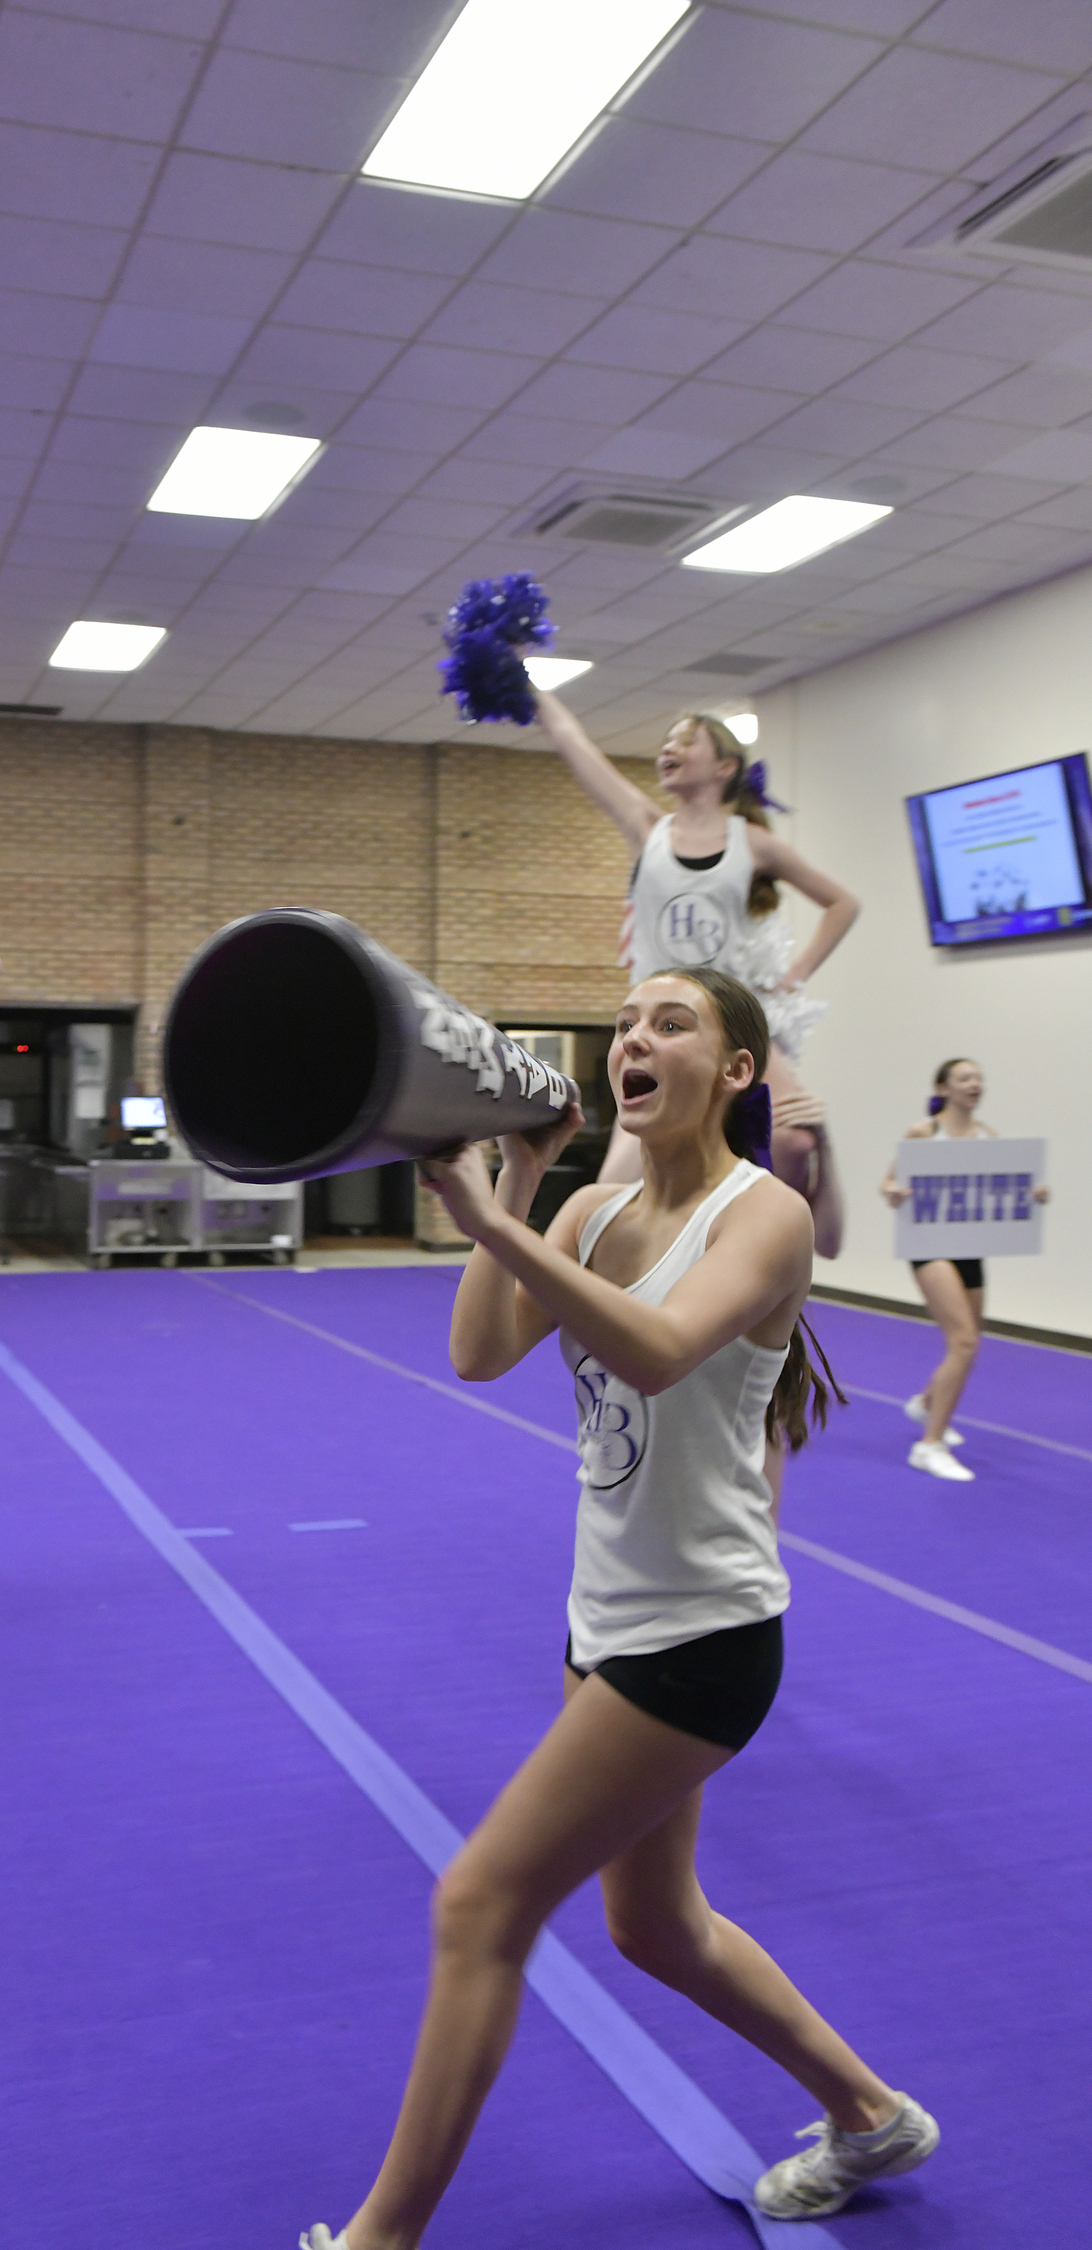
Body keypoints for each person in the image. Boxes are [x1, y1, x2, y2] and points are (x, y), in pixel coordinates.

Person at [299, 967, 936, 2249]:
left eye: (671, 1024)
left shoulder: (769, 1217)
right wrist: (526, 1186)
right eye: (626, 1028)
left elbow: (654, 1346)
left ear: (737, 1072)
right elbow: (479, 1354)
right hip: (607, 1622)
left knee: (479, 1905)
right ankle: (871, 2116)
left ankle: (379, 2239)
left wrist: (491, 1224)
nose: (634, 1042)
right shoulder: (590, 1207)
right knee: (654, 1925)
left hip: (702, 1639)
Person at [534, 694, 855, 1254]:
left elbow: (842, 903)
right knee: (614, 1184)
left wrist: (793, 974)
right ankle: (615, 1275)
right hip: (666, 1023)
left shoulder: (751, 842)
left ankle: (759, 1252)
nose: (669, 748)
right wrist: (526, 683)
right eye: (666, 741)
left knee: (798, 1138)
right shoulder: (647, 828)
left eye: (686, 740)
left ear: (724, 767)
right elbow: (574, 743)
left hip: (734, 1019)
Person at [880, 1056, 1048, 1484]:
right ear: (944, 1088)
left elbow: (999, 1187)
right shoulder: (924, 1132)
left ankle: (925, 1402)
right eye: (964, 1077)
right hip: (930, 1245)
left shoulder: (987, 1137)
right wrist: (895, 1191)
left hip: (969, 1247)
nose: (975, 1084)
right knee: (965, 1341)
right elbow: (887, 1183)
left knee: (971, 1335)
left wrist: (1032, 1194)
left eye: (978, 1078)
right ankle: (928, 1445)